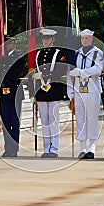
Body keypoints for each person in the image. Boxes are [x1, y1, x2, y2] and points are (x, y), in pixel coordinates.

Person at [67, 29, 104, 160]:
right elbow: (69, 73)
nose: (85, 40)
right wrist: (70, 92)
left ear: (92, 39)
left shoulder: (97, 53)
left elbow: (98, 70)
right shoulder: (76, 54)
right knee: (80, 119)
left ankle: (92, 147)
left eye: (87, 38)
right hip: (78, 90)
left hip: (92, 89)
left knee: (92, 118)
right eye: (83, 38)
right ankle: (82, 147)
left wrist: (81, 72)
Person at [32, 28, 67, 158]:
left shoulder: (59, 53)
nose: (45, 41)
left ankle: (54, 149)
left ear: (53, 39)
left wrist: (46, 75)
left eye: (47, 38)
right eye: (43, 38)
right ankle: (46, 148)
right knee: (44, 122)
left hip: (54, 91)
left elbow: (62, 70)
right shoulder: (38, 54)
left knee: (53, 121)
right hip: (41, 92)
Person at [0, 36, 26, 157]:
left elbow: (15, 73)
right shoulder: (0, 58)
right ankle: (7, 148)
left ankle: (14, 148)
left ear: (14, 44)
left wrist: (2, 75)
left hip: (15, 92)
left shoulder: (19, 57)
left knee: (14, 122)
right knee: (5, 122)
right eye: (6, 44)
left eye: (10, 43)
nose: (7, 46)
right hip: (3, 93)